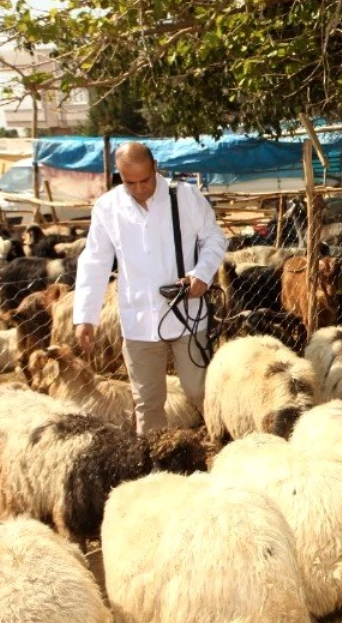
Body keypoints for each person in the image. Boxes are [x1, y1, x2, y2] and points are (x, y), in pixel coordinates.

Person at [73, 142, 227, 434]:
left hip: (186, 312)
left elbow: (214, 238)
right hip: (139, 319)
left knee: (200, 390)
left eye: (146, 179)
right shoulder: (108, 207)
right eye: (131, 182)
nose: (141, 188)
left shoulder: (184, 195)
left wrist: (202, 274)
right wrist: (85, 317)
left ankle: (222, 442)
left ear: (155, 167)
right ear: (119, 176)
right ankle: (155, 464)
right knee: (147, 401)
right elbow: (95, 261)